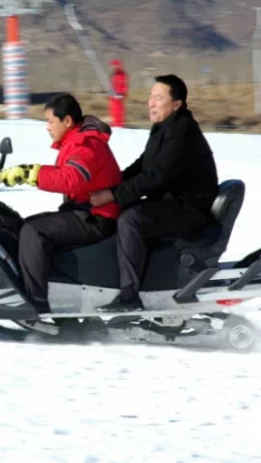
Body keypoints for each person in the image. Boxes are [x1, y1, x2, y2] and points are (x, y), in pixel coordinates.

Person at [90, 74, 218, 312]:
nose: (151, 102)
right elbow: (143, 165)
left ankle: (129, 298)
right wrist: (110, 184)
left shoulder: (182, 131)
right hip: (173, 203)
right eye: (150, 96)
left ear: (176, 104)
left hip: (188, 209)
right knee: (125, 211)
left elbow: (156, 176)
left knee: (131, 219)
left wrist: (113, 195)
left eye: (158, 98)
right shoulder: (165, 127)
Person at [0, 93, 123, 313]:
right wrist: (28, 171)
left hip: (97, 218)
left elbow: (71, 178)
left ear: (67, 121)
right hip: (86, 212)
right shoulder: (77, 141)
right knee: (21, 225)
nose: (47, 127)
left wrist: (32, 174)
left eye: (50, 121)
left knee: (34, 232)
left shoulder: (86, 144)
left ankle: (35, 304)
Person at [109, 59, 128, 128]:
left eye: (114, 65)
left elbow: (124, 86)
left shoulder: (121, 75)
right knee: (113, 112)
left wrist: (121, 94)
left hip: (119, 97)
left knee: (118, 112)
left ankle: (119, 126)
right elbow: (113, 85)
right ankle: (115, 125)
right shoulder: (114, 75)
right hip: (113, 97)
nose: (112, 67)